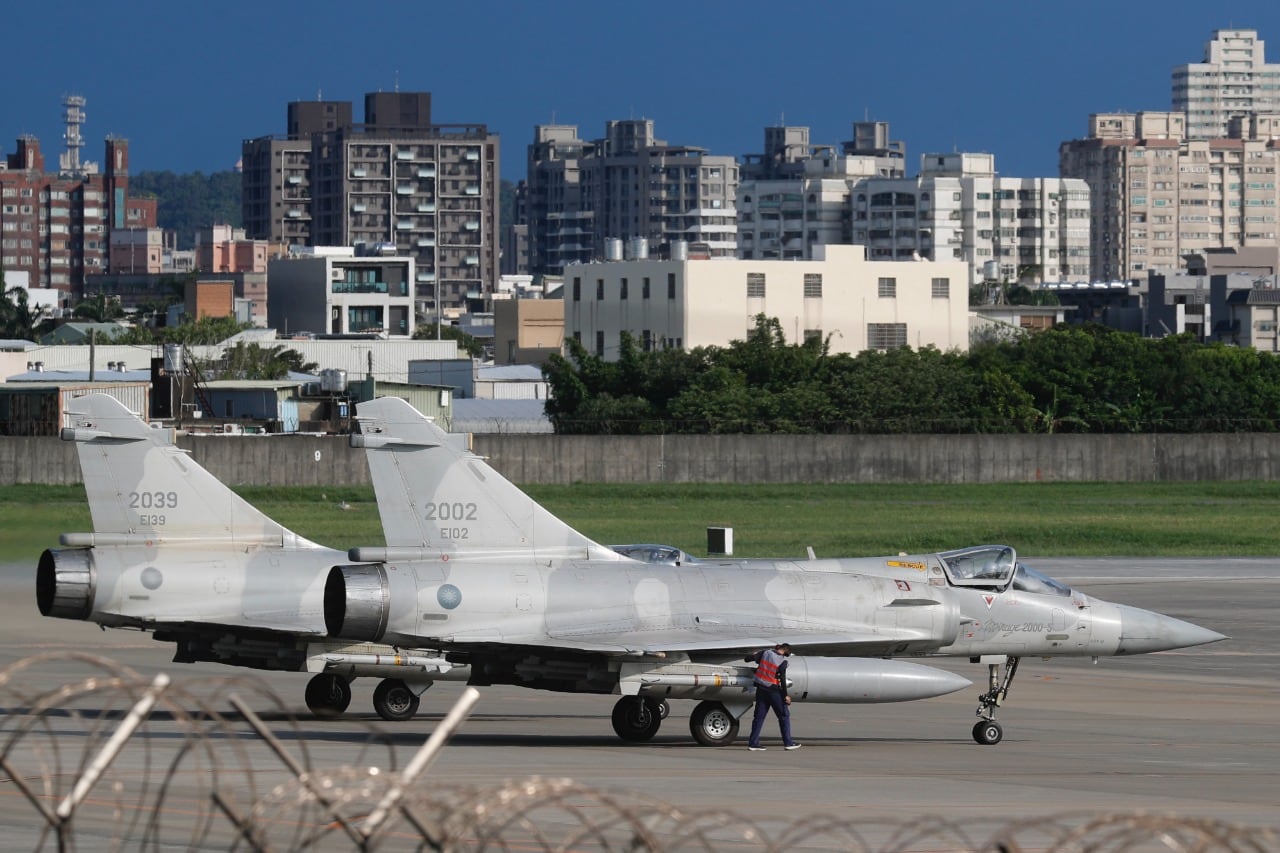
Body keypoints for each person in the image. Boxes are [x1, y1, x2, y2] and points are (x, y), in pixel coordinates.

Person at [745, 642, 801, 751]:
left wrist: (753, 655)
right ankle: (788, 743)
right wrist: (786, 696)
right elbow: (782, 680)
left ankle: (753, 743)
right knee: (784, 715)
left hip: (761, 689)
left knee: (759, 717)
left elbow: (747, 659)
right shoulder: (783, 662)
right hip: (773, 691)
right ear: (786, 652)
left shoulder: (765, 653)